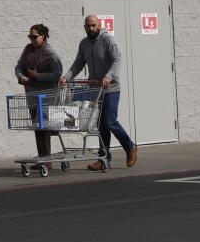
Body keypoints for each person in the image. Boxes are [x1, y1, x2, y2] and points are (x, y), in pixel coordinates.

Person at [59, 14, 138, 171]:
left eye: (93, 25)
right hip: (95, 88)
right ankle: (104, 159)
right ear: (84, 27)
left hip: (111, 88)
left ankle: (130, 147)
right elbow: (78, 63)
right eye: (88, 26)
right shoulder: (84, 44)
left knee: (109, 121)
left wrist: (108, 76)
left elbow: (117, 59)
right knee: (100, 125)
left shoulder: (107, 39)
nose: (91, 28)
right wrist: (66, 77)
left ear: (99, 25)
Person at [14, 23, 63, 157]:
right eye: (29, 36)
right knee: (37, 128)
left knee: (44, 127)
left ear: (43, 36)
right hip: (32, 95)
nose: (31, 39)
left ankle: (46, 159)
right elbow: (18, 67)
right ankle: (43, 158)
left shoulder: (50, 53)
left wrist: (38, 76)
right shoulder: (28, 49)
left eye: (34, 36)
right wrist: (21, 76)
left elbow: (57, 73)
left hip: (47, 97)